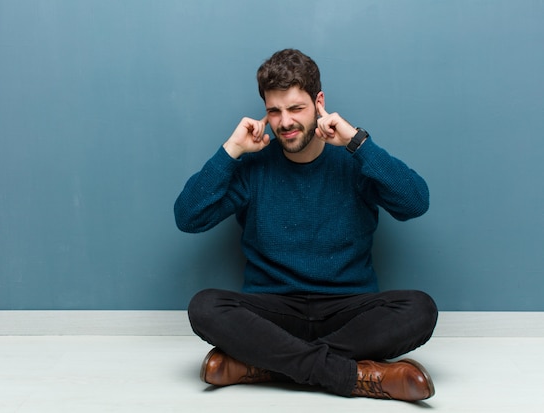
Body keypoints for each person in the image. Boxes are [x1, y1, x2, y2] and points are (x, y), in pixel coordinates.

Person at [174, 49, 438, 402]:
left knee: (420, 309)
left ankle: (264, 364)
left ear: (319, 102)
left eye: (296, 108)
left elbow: (415, 202)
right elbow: (187, 217)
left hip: (348, 310)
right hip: (272, 311)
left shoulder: (354, 160)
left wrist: (359, 144)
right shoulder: (254, 167)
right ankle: (353, 375)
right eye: (274, 111)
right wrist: (231, 150)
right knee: (204, 307)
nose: (285, 122)